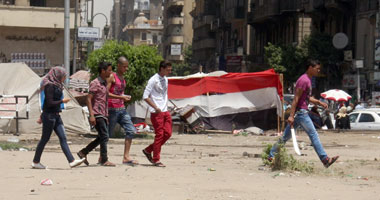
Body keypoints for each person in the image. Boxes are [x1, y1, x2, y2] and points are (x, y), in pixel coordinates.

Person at [268, 59, 339, 168]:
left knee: (285, 137)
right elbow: (296, 99)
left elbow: (306, 98)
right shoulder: (303, 80)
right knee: (313, 134)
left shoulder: (308, 80)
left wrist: (319, 102)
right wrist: (291, 116)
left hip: (299, 113)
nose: (318, 71)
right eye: (317, 68)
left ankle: (271, 156)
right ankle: (325, 159)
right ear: (310, 68)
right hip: (301, 113)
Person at [32, 67, 85, 169]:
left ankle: (71, 161)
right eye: (64, 76)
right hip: (49, 116)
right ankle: (35, 161)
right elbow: (49, 102)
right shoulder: (49, 86)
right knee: (44, 139)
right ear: (58, 75)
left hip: (56, 115)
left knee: (63, 137)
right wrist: (62, 101)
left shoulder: (58, 85)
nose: (65, 78)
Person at [77, 62, 115, 167]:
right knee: (104, 136)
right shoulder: (95, 83)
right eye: (109, 70)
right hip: (97, 113)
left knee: (102, 137)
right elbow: (88, 99)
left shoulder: (104, 83)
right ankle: (104, 159)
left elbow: (105, 96)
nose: (111, 72)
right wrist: (92, 115)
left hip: (103, 113)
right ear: (103, 71)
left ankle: (83, 152)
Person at [107, 56, 138, 165]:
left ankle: (126, 157)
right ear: (119, 66)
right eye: (124, 66)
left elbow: (119, 93)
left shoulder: (123, 79)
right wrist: (121, 98)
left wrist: (124, 97)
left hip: (122, 109)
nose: (126, 69)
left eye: (127, 67)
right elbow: (106, 93)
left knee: (130, 130)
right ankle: (102, 157)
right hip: (112, 109)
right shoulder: (112, 76)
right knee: (107, 134)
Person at [142, 61, 172, 167]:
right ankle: (156, 159)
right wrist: (155, 107)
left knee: (167, 133)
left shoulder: (166, 80)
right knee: (159, 135)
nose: (169, 71)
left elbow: (164, 95)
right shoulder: (153, 80)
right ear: (162, 69)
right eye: (168, 70)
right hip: (157, 112)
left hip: (165, 111)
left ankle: (148, 149)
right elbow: (145, 96)